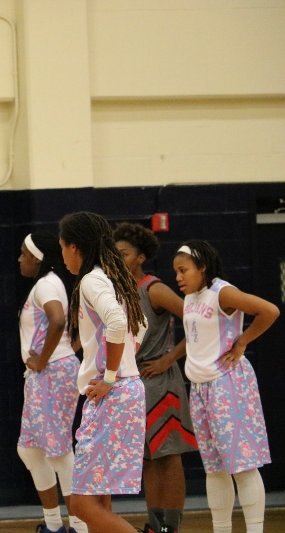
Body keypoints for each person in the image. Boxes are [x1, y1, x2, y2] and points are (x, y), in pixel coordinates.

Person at [174, 240, 279, 533]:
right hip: (200, 388)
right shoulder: (190, 297)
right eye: (176, 272)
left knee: (242, 466)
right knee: (214, 469)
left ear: (202, 267)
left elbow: (269, 311)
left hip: (227, 384)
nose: (178, 277)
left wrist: (242, 341)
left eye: (183, 270)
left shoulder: (223, 292)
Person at [58, 212, 147, 533]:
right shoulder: (111, 277)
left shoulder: (92, 280)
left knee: (82, 504)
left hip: (114, 392)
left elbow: (120, 322)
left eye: (62, 247)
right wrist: (123, 365)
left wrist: (111, 375)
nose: (62, 255)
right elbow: (141, 325)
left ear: (74, 247)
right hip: (123, 389)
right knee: (98, 501)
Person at [113, 222, 198, 533]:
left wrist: (169, 358)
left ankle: (171, 526)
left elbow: (198, 322)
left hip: (160, 381)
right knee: (148, 458)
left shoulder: (154, 289)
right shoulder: (116, 292)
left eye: (123, 253)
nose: (117, 258)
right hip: (133, 381)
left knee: (169, 456)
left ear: (140, 258)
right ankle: (154, 523)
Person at [16, 232, 88, 533]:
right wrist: (65, 352)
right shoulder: (53, 283)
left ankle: (80, 527)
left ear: (37, 258)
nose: (20, 259)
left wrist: (45, 359)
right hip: (48, 372)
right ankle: (54, 525)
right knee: (30, 449)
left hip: (51, 373)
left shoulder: (47, 284)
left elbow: (58, 320)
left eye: (24, 254)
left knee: (58, 452)